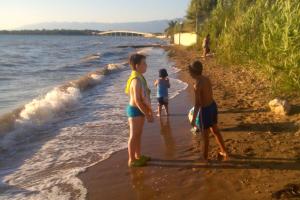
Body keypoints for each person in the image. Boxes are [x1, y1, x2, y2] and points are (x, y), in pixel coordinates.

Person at [189, 60, 228, 161]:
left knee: (205, 137)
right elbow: (209, 93)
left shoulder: (197, 85)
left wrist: (193, 119)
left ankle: (205, 158)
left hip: (205, 111)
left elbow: (197, 104)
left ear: (192, 73)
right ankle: (224, 151)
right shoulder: (206, 79)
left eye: (190, 72)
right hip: (212, 106)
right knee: (215, 130)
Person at [125, 53, 154, 167]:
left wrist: (146, 111)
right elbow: (137, 100)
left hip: (139, 110)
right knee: (133, 135)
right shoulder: (136, 80)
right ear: (137, 66)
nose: (146, 65)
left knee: (138, 134)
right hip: (135, 111)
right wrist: (147, 114)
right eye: (144, 63)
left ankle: (138, 156)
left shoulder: (139, 77)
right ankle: (131, 160)